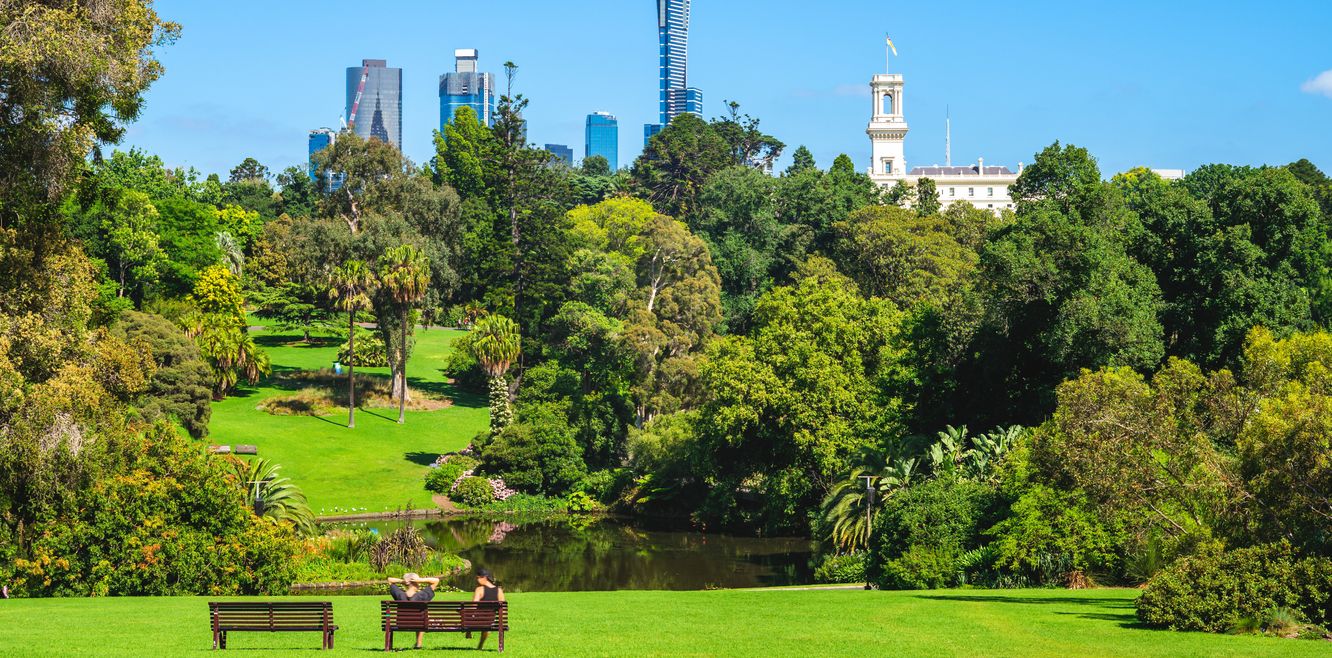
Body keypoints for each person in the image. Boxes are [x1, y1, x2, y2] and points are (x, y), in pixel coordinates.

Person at [387, 572, 439, 649]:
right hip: (420, 624)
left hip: (401, 624)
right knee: (420, 619)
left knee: (420, 619)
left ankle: (418, 644)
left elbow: (390, 580)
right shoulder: (422, 595)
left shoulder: (399, 595)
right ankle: (418, 644)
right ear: (416, 582)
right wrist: (420, 580)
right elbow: (436, 581)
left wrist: (403, 581)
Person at [471, 568, 506, 650]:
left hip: (477, 620)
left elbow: (473, 606)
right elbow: (503, 609)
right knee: (487, 626)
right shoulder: (499, 591)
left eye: (478, 578)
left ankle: (469, 631)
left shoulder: (479, 589)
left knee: (467, 614)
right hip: (490, 620)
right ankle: (480, 645)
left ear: (484, 578)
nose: (477, 580)